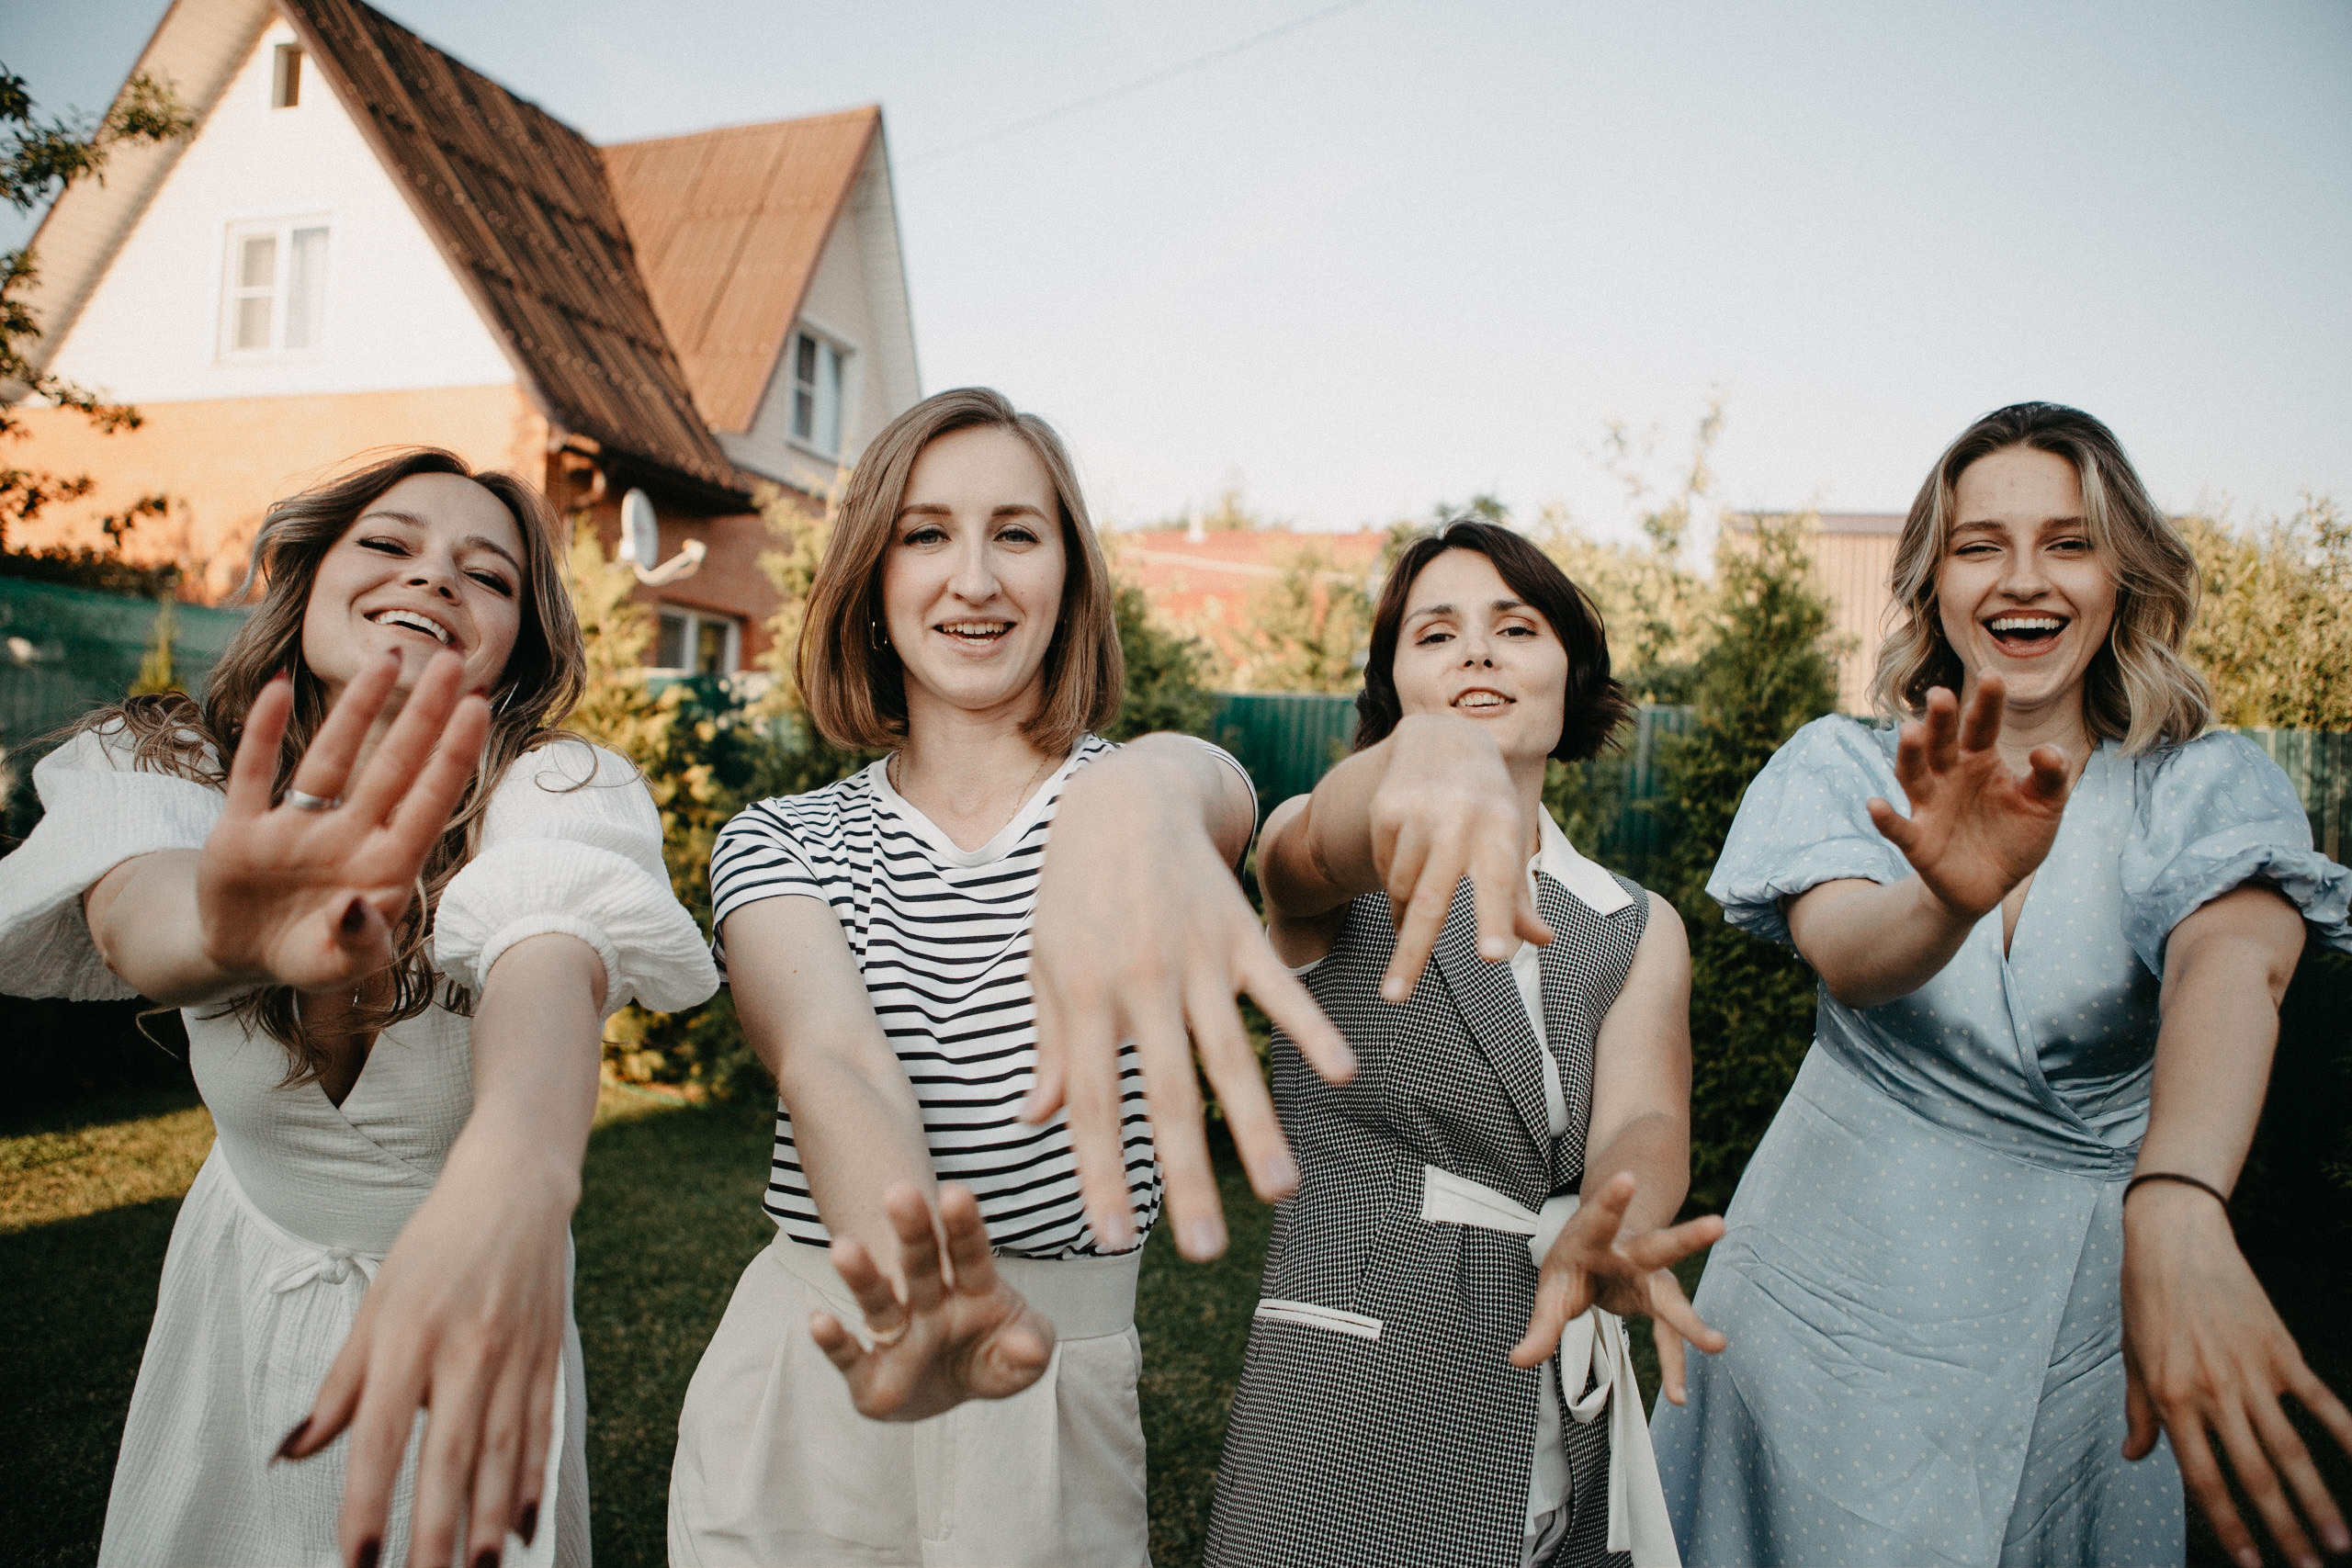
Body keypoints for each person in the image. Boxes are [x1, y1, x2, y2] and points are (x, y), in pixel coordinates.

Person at [1649, 402, 2352, 1568]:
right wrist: (1948, 894)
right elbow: (1849, 955)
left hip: (2071, 1328)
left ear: (2124, 574)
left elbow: (2233, 964)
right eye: (1981, 545)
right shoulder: (1841, 764)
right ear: (1932, 581)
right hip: (1811, 1315)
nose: (2023, 578)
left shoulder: (2201, 787)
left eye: (2069, 542)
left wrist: (2177, 1194)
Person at [666, 387, 1352, 1568]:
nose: (974, 578)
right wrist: (921, 1286)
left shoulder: (1139, 812)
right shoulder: (782, 841)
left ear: (1071, 582)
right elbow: (829, 1053)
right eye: (926, 534)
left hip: (1054, 1380)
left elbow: (1208, 792)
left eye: (1016, 534)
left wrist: (1147, 784)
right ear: (873, 584)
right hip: (827, 1353)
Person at [0, 448, 718, 1568]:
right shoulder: (167, 762)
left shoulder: (561, 789)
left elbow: (551, 955)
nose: (432, 577)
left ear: (518, 645)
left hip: (471, 1289)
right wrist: (227, 935)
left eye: (486, 575)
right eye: (387, 545)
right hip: (237, 1289)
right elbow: (136, 917)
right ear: (307, 574)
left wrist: (520, 1178)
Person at [1207, 519, 1725, 1568]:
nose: (1477, 653)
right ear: (1393, 685)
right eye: (1435, 635)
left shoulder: (1636, 921)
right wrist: (1421, 759)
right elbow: (1301, 846)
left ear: (1571, 671)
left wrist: (1619, 1221)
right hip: (1350, 1413)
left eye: (1515, 627)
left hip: (1553, 1403)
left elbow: (1645, 1118)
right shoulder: (1338, 862)